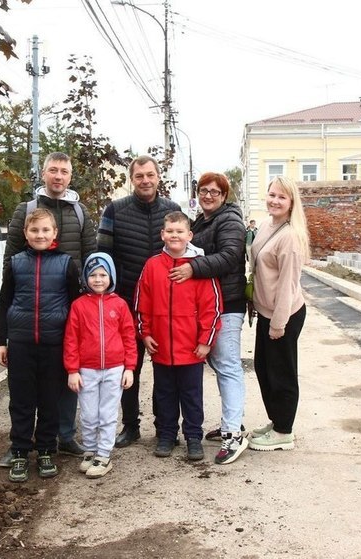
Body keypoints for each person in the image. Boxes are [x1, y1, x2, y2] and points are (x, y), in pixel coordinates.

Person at [0, 152, 96, 466]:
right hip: (29, 313)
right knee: (24, 392)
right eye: (53, 170)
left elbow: (91, 256)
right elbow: (11, 258)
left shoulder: (80, 212)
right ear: (44, 173)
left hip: (66, 309)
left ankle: (63, 438)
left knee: (65, 382)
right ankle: (21, 446)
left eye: (64, 171)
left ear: (70, 177)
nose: (58, 176)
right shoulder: (25, 210)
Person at [96, 155, 181, 447]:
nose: (145, 180)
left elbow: (182, 251)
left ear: (158, 177)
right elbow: (103, 257)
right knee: (128, 368)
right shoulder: (115, 210)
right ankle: (130, 426)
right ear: (132, 179)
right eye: (139, 176)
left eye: (150, 175)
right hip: (125, 304)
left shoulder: (173, 210)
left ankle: (164, 428)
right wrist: (110, 299)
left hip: (164, 306)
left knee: (165, 370)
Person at [168, 172, 248, 465]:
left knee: (227, 366)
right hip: (210, 305)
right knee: (219, 364)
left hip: (227, 304)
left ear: (225, 195)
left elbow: (229, 256)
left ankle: (233, 436)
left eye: (215, 191)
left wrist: (192, 268)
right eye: (204, 190)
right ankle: (233, 421)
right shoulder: (203, 220)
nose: (209, 195)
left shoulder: (229, 221)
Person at [0, 208, 81, 482]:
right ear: (26, 234)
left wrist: (72, 345)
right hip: (20, 343)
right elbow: (4, 302)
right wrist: (1, 341)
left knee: (49, 400)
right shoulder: (16, 263)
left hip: (54, 343)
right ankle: (20, 450)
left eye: (45, 230)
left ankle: (46, 449)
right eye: (35, 230)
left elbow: (74, 305)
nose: (40, 235)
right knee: (21, 400)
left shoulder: (67, 264)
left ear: (55, 233)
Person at [135, 211, 222, 461]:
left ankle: (193, 437)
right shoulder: (152, 266)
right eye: (170, 231)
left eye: (180, 231)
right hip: (161, 348)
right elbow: (143, 302)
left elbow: (212, 308)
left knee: (191, 396)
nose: (174, 236)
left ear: (189, 235)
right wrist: (145, 333)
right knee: (164, 394)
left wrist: (206, 341)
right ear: (162, 234)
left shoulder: (198, 269)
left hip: (191, 350)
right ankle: (166, 434)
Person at [247, 176, 310, 451]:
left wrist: (278, 323)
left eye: (281, 197)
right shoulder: (266, 225)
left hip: (283, 315)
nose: (274, 200)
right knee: (264, 368)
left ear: (291, 202)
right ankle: (277, 420)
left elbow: (287, 285)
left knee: (282, 372)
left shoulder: (290, 237)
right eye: (272, 194)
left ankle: (284, 431)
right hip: (266, 312)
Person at [64, 253, 137, 478]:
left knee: (107, 413)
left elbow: (129, 337)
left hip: (115, 369)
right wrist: (73, 370)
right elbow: (71, 339)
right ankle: (90, 449)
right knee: (88, 414)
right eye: (93, 275)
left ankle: (104, 454)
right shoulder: (78, 306)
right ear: (86, 278)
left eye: (103, 274)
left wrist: (129, 368)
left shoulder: (120, 305)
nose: (98, 279)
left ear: (111, 276)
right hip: (87, 369)